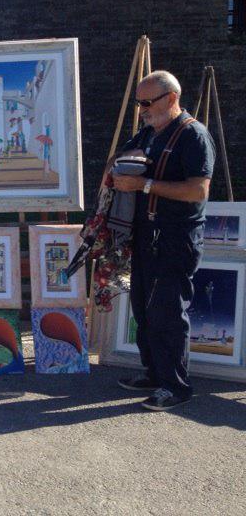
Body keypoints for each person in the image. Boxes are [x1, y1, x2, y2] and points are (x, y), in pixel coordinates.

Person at [111, 70, 215, 411]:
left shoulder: (193, 135)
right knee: (143, 309)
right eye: (138, 103)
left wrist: (144, 185)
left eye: (146, 103)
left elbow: (198, 191)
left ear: (171, 98)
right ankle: (155, 373)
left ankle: (176, 386)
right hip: (147, 234)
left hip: (176, 236)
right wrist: (119, 167)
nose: (141, 110)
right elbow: (119, 160)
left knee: (168, 313)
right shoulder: (149, 133)